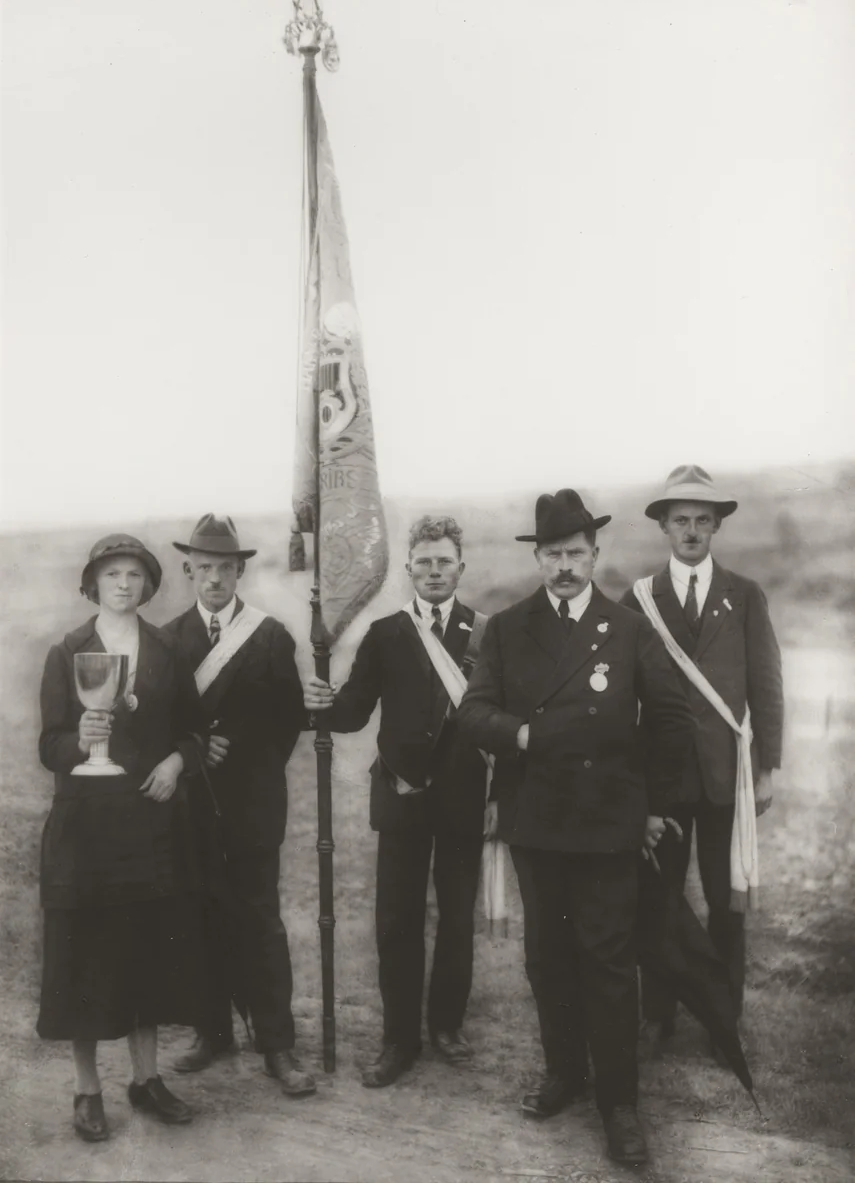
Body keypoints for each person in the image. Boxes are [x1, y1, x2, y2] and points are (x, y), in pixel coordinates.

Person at [456, 489, 694, 1169]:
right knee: (547, 957)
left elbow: (671, 720)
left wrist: (655, 809)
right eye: (553, 554)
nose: (564, 566)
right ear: (537, 558)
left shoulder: (627, 629)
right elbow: (473, 713)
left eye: (575, 554)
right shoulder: (507, 629)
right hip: (537, 823)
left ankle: (619, 1105)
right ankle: (563, 1072)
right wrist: (522, 734)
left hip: (608, 826)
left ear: (594, 555)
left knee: (608, 962)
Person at [304, 515, 490, 1088]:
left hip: (462, 800)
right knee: (396, 923)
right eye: (424, 562)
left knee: (456, 919)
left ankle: (447, 1027)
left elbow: (499, 721)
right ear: (408, 568)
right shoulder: (386, 633)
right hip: (401, 795)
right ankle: (399, 1040)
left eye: (444, 562)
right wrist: (319, 702)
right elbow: (353, 712)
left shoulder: (486, 635)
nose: (434, 572)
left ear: (461, 567)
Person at [38, 534, 207, 1142]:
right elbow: (48, 745)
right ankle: (87, 1090)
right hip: (86, 831)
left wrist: (176, 764)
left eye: (134, 574)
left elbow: (193, 730)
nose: (124, 584)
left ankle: (146, 1079)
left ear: (148, 585)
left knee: (147, 953)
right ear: (93, 584)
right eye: (112, 574)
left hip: (149, 828)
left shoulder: (167, 648)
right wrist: (80, 740)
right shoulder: (68, 652)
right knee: (85, 957)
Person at [622, 464, 783, 1040]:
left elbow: (766, 683)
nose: (691, 531)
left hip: (724, 776)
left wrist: (767, 768)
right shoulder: (641, 598)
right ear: (663, 526)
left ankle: (723, 1019)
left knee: (726, 900)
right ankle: (658, 1015)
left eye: (702, 521)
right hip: (662, 780)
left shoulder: (745, 595)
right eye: (680, 520)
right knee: (660, 898)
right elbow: (624, 694)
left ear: (717, 526)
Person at [165, 514, 315, 1098]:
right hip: (191, 805)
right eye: (204, 567)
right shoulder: (168, 640)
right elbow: (162, 726)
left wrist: (241, 755)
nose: (214, 579)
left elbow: (288, 723)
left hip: (252, 804)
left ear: (239, 572)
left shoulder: (270, 636)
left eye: (224, 568)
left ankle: (276, 1044)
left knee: (260, 923)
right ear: (188, 570)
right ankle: (213, 1032)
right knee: (200, 919)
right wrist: (197, 749)